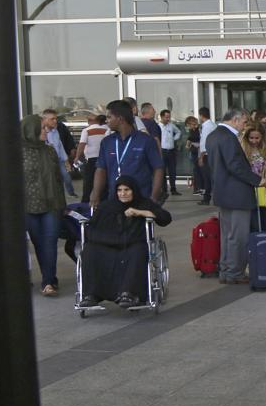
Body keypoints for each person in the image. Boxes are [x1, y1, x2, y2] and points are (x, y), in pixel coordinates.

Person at [77, 175, 172, 309]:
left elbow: (165, 218)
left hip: (133, 243)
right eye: (119, 190)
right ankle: (91, 294)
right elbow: (93, 228)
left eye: (127, 190)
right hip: (108, 243)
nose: (123, 193)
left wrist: (139, 212)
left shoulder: (143, 203)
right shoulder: (107, 206)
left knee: (139, 251)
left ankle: (129, 293)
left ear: (133, 190)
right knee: (89, 250)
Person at [210, 108, 262, 285]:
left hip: (223, 192)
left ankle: (226, 270)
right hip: (237, 194)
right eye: (244, 121)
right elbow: (235, 166)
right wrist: (257, 180)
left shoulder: (214, 135)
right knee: (238, 236)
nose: (245, 125)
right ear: (235, 120)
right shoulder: (228, 137)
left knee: (227, 235)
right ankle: (234, 272)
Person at [23, 114, 66, 297]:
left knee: (50, 242)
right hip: (28, 206)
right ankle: (49, 277)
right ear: (30, 130)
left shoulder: (49, 151)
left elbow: (58, 179)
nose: (46, 130)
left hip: (51, 204)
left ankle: (48, 281)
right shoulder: (16, 152)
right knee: (38, 243)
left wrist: (62, 205)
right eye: (41, 128)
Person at [91, 100, 164, 206]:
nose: (106, 121)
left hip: (141, 200)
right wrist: (95, 194)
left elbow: (158, 169)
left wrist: (154, 197)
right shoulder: (107, 142)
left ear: (120, 119)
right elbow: (101, 169)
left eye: (109, 117)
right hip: (114, 199)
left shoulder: (146, 141)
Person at [241, 124, 266, 232]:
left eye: (257, 138)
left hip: (263, 187)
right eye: (251, 138)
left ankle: (263, 239)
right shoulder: (243, 148)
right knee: (252, 220)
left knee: (264, 216)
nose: (254, 141)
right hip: (248, 187)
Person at [76, 113, 110, 203]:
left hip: (91, 160)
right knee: (104, 182)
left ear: (90, 121)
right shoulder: (107, 129)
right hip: (105, 159)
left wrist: (77, 157)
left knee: (88, 183)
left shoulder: (86, 130)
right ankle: (103, 201)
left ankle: (85, 202)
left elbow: (82, 144)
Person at [41, 109, 75, 198]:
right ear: (45, 120)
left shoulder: (55, 131)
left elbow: (59, 145)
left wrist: (66, 160)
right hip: (47, 161)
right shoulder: (41, 132)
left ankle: (71, 193)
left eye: (56, 119)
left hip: (58, 160)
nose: (55, 121)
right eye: (52, 119)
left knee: (67, 177)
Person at [158, 109, 182, 196]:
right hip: (162, 151)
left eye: (169, 117)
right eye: (166, 117)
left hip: (171, 151)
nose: (168, 119)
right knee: (162, 171)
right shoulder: (158, 126)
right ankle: (164, 190)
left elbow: (179, 132)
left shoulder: (171, 126)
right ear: (161, 117)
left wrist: (174, 139)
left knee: (172, 171)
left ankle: (173, 189)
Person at [197, 107, 217, 204]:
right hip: (213, 154)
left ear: (201, 115)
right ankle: (213, 196)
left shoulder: (206, 126)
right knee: (211, 177)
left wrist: (201, 157)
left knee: (207, 177)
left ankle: (207, 198)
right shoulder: (213, 125)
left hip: (207, 155)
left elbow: (204, 142)